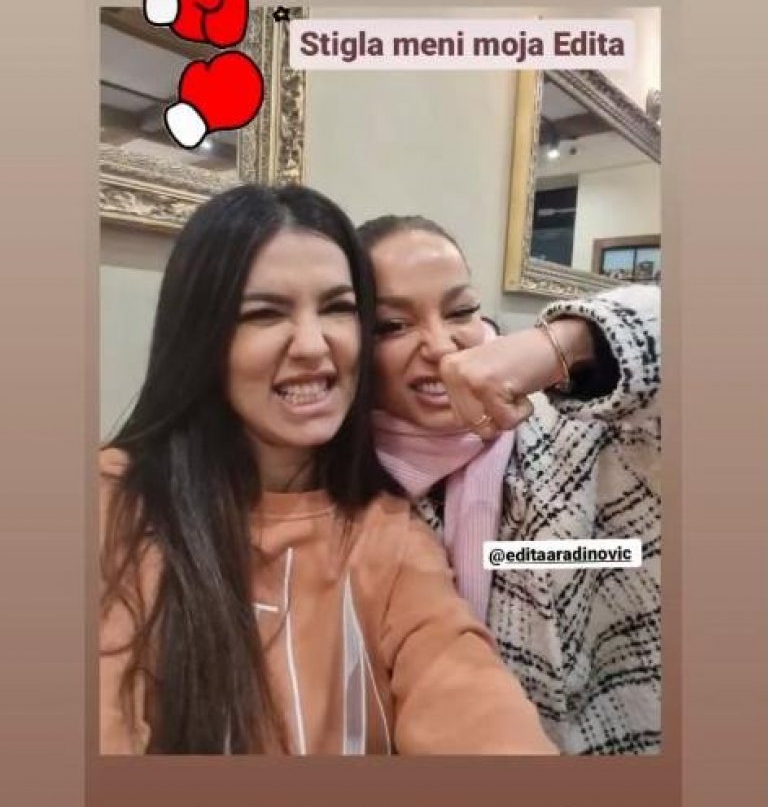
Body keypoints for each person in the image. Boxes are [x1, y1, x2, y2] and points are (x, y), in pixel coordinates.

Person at [100, 185, 555, 757]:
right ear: (201, 337)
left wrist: (562, 345)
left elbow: (464, 686)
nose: (314, 346)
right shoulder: (113, 504)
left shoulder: (390, 528)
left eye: (338, 308)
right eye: (264, 313)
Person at [358, 214, 661, 756]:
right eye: (392, 326)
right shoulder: (348, 491)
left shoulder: (578, 428)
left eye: (460, 311)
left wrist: (570, 340)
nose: (441, 345)